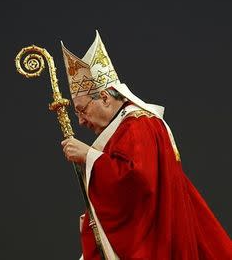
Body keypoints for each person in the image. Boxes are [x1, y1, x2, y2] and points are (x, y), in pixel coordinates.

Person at [60, 31, 232, 260]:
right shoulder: (124, 128)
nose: (80, 120)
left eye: (82, 109)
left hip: (157, 244)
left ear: (104, 97)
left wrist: (89, 156)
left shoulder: (138, 126)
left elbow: (138, 181)